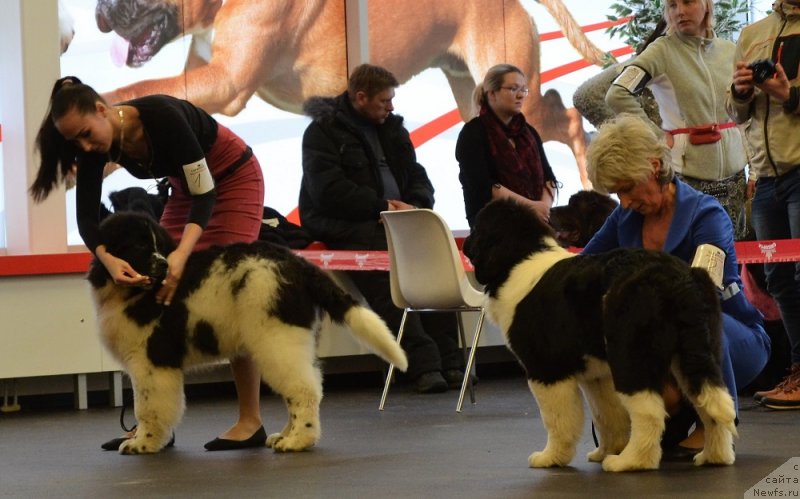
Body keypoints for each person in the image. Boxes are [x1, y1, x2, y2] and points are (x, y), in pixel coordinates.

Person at [30, 76, 267, 451]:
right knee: (155, 289)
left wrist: (182, 253)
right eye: (75, 141)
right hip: (188, 191)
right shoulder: (94, 147)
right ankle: (157, 422)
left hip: (233, 178)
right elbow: (88, 220)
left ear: (102, 110)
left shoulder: (162, 115)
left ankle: (250, 420)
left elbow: (206, 192)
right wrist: (107, 260)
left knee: (228, 294)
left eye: (87, 134)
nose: (86, 146)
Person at [582, 114, 770, 458]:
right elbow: (583, 268)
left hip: (731, 334)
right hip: (655, 338)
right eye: (616, 192)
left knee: (700, 323)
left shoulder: (707, 215)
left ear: (654, 166)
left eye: (626, 187)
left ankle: (714, 428)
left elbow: (703, 297)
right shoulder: (623, 217)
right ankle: (667, 419)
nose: (623, 201)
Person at [299, 64, 464, 394]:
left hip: (399, 220)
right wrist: (383, 207)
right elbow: (328, 191)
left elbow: (418, 176)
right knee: (386, 283)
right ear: (361, 97)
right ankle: (424, 365)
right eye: (384, 101)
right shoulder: (322, 131)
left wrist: (415, 205)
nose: (391, 107)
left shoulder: (394, 130)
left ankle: (453, 361)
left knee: (432, 271)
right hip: (350, 225)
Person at [606, 0, 749, 240]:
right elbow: (617, 94)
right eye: (672, 5)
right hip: (687, 178)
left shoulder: (729, 50)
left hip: (735, 177)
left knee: (732, 257)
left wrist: (754, 169)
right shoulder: (660, 50)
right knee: (692, 257)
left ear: (706, 5)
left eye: (688, 2)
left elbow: (745, 111)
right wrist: (657, 137)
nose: (680, 11)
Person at [726, 0, 800, 409]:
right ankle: (798, 369)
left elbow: (787, 99)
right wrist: (740, 92)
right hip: (766, 179)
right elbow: (735, 112)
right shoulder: (752, 34)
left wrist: (789, 95)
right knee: (779, 281)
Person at [455, 63, 558, 229]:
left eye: (523, 90)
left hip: (537, 222)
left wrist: (544, 209)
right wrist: (531, 207)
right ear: (492, 93)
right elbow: (484, 185)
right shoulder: (472, 133)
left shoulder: (529, 132)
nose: (520, 96)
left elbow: (549, 177)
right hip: (494, 227)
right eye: (513, 89)